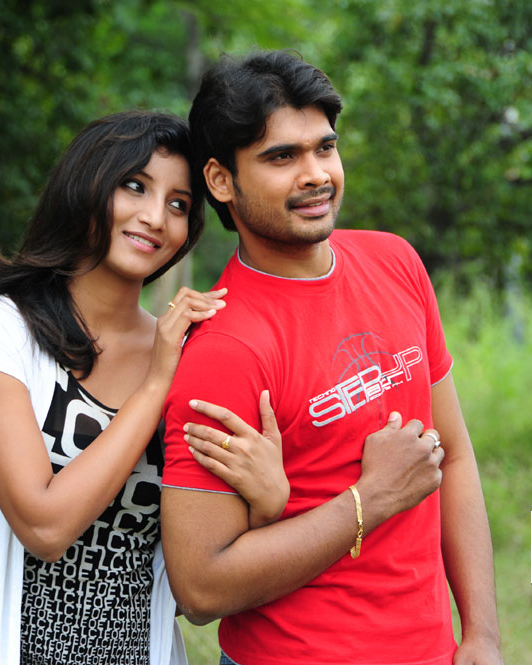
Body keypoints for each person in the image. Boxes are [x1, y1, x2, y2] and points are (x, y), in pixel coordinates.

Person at [0, 111, 291, 665]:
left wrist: (267, 504)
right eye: (134, 186)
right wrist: (155, 385)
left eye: (179, 204)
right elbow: (45, 525)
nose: (155, 217)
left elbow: (193, 592)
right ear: (86, 184)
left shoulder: (188, 354)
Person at [160, 51, 503, 665]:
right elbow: (201, 586)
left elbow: (453, 454)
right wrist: (371, 499)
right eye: (281, 157)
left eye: (325, 148)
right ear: (220, 180)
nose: (315, 174)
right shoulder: (224, 349)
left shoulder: (396, 263)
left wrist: (480, 632)